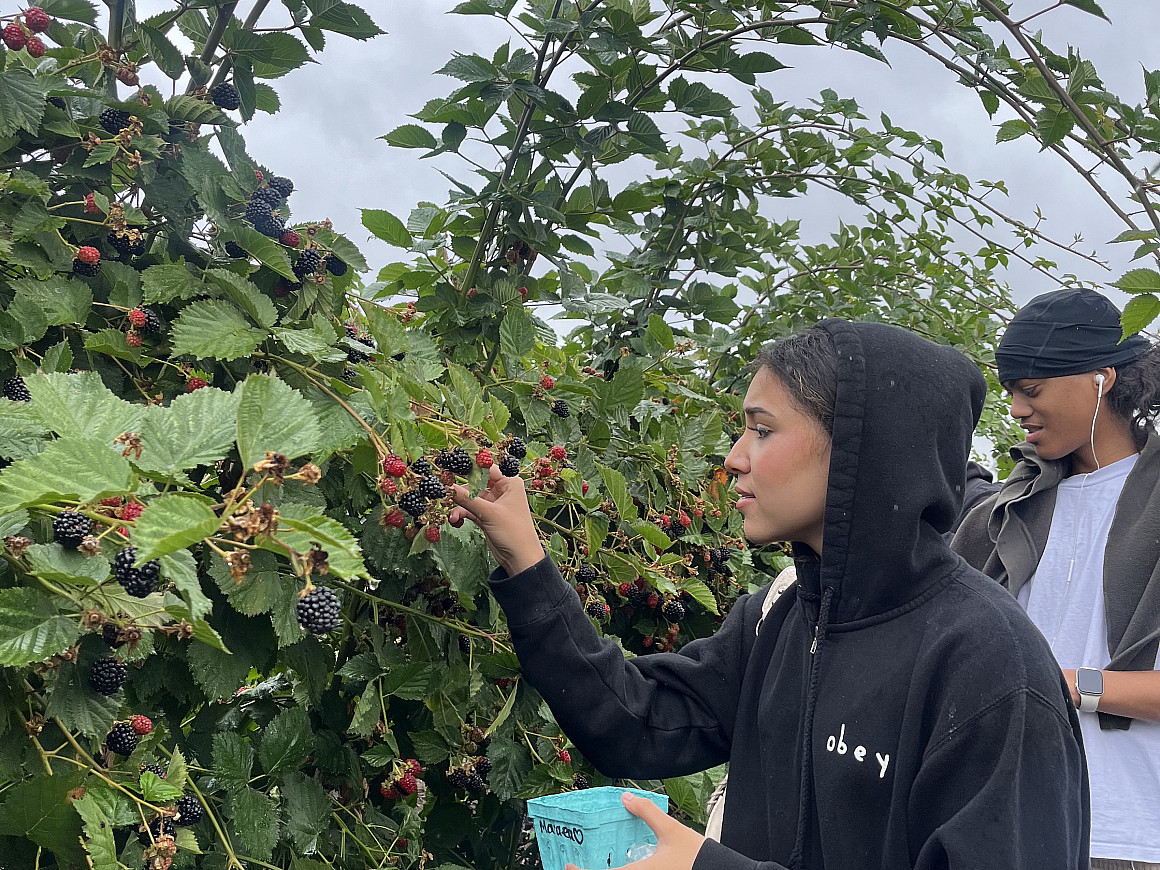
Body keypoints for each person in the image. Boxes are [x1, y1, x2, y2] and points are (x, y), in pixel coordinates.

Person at [452, 319, 1089, 870]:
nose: (733, 458)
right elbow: (635, 722)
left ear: (859, 450)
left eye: (761, 430)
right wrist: (526, 559)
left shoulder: (988, 665)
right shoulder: (782, 618)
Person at [952, 287, 1160, 870]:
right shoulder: (1009, 509)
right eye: (1011, 390)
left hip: (1131, 836)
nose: (1016, 408)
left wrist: (1060, 684)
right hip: (1006, 830)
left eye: (1032, 389)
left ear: (1102, 378)